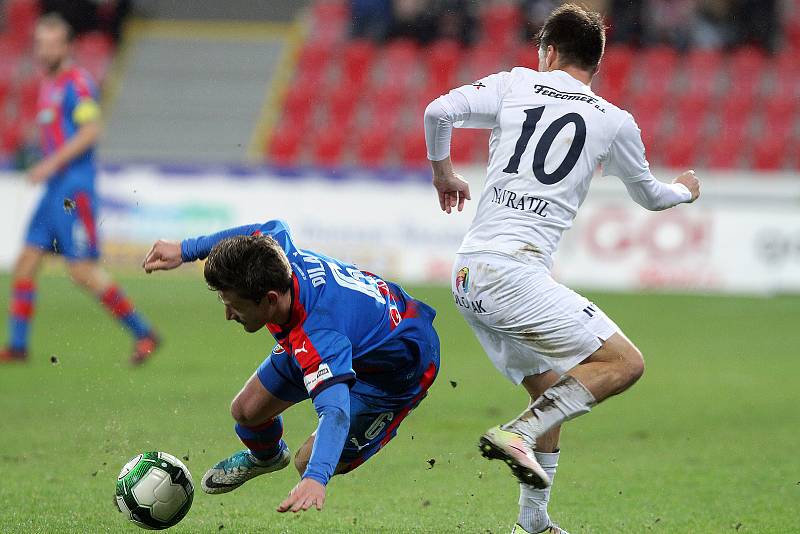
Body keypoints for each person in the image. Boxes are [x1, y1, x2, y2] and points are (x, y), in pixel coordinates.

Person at [423, 4, 700, 534]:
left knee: (552, 390)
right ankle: (519, 433)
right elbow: (652, 197)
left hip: (468, 275)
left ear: (548, 51)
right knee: (624, 363)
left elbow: (438, 112)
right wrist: (686, 190)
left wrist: (444, 174)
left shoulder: (514, 84)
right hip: (514, 275)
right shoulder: (613, 120)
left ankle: (532, 522)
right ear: (595, 63)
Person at [141, 219, 440, 513]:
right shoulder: (275, 251)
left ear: (270, 300)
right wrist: (186, 249)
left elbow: (335, 411)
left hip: (398, 371)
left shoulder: (319, 335)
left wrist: (316, 478)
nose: (228, 315)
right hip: (352, 332)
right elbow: (264, 228)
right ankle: (266, 457)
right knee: (246, 412)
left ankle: (343, 449)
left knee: (307, 462)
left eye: (234, 305)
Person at [1, 14, 158, 364]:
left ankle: (143, 332)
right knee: (26, 262)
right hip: (53, 189)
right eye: (40, 43)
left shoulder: (78, 83)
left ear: (67, 47)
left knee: (82, 270)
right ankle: (17, 346)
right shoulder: (49, 85)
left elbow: (90, 131)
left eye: (51, 44)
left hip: (74, 190)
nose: (43, 51)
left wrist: (49, 163)